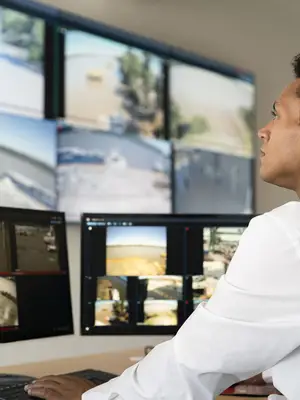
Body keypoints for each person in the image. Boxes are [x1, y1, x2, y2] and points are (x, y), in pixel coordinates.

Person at [25, 53, 300, 400]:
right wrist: (284, 373)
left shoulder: (287, 231)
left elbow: (189, 368)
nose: (263, 131)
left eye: (278, 116)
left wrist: (90, 398)